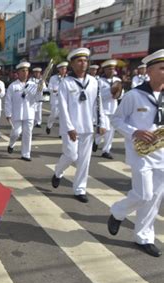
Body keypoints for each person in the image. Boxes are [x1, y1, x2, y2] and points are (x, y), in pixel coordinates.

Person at [107, 49, 163, 258]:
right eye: (162, 68)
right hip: (141, 154)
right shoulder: (134, 95)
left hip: (162, 155)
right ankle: (117, 211)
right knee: (144, 194)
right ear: (149, 71)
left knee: (154, 199)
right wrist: (135, 132)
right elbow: (116, 119)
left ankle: (144, 237)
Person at [51, 47, 106, 203]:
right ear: (72, 64)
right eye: (79, 61)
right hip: (71, 128)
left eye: (85, 61)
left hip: (88, 127)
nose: (83, 64)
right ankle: (58, 172)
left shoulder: (94, 82)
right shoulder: (66, 83)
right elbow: (62, 107)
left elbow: (98, 104)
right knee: (71, 155)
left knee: (84, 160)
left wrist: (101, 123)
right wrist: (69, 127)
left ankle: (80, 189)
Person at [4, 61, 39, 161]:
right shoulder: (13, 86)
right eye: (23, 71)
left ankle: (26, 154)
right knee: (16, 133)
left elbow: (37, 98)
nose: (25, 73)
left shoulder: (33, 84)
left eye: (27, 70)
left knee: (28, 134)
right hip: (17, 114)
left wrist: (40, 89)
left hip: (29, 113)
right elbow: (8, 101)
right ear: (18, 73)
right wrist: (8, 113)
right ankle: (11, 144)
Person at [94, 59, 122, 159]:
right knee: (104, 130)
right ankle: (96, 141)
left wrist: (117, 94)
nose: (111, 70)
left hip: (113, 110)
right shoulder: (99, 81)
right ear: (104, 70)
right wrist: (110, 92)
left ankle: (106, 150)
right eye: (109, 68)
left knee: (111, 132)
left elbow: (120, 94)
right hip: (103, 110)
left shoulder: (117, 80)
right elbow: (98, 96)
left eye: (113, 68)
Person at [46, 62, 68, 135]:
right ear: (59, 69)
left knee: (63, 117)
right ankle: (49, 125)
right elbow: (49, 88)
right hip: (55, 100)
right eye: (62, 69)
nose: (64, 70)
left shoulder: (68, 78)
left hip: (64, 100)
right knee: (54, 115)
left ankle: (61, 133)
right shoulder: (53, 78)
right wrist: (54, 91)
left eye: (65, 68)